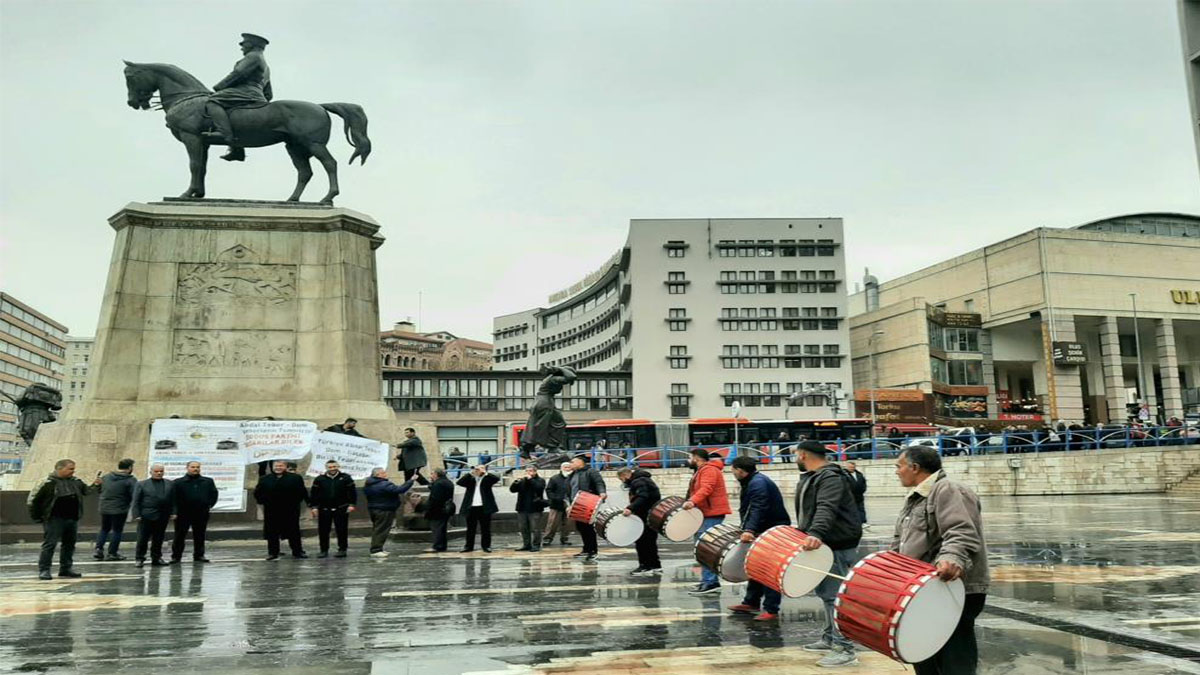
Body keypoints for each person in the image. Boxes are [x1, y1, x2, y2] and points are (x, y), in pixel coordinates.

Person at [894, 446, 990, 675]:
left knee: (954, 658)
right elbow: (901, 542)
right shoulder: (916, 498)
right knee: (924, 653)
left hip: (953, 588)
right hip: (925, 590)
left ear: (915, 468)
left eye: (899, 466)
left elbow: (960, 531)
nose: (897, 472)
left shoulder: (948, 490)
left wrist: (951, 558)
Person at [793, 440, 863, 667]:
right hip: (825, 542)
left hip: (835, 542)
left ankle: (844, 648)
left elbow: (827, 507)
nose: (795, 458)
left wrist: (815, 533)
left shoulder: (830, 477)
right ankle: (829, 638)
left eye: (796, 455)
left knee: (835, 597)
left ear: (802, 455)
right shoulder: (817, 476)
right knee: (826, 593)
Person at [726, 456, 790, 621]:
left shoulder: (758, 483)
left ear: (740, 470)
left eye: (733, 469)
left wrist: (749, 529)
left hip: (771, 530)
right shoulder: (753, 481)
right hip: (764, 528)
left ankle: (771, 609)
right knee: (755, 566)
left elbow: (758, 507)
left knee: (768, 569)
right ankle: (751, 601)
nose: (732, 472)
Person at [203, 32, 272, 162]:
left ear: (251, 45)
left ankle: (225, 134)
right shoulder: (265, 64)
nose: (241, 47)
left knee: (212, 101)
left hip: (246, 92)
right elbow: (269, 93)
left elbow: (238, 74)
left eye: (244, 44)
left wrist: (218, 88)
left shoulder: (253, 57)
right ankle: (236, 150)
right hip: (256, 94)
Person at [27, 459, 101, 580]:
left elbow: (86, 491)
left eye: (73, 469)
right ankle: (44, 570)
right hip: (54, 519)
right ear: (60, 469)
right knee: (50, 544)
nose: (73, 471)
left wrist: (96, 485)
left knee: (69, 544)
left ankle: (66, 569)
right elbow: (33, 500)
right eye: (70, 469)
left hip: (72, 518)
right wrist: (38, 517)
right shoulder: (47, 483)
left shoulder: (76, 481)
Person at [683, 448, 732, 595]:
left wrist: (692, 502)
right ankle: (706, 581)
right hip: (705, 513)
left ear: (696, 458)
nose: (688, 460)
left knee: (707, 548)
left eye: (690, 457)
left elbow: (706, 488)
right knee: (702, 548)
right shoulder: (702, 470)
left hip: (711, 513)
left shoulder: (709, 470)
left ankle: (711, 582)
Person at [254, 460, 309, 560]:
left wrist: (295, 502)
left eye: (280, 466)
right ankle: (273, 553)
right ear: (272, 467)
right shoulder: (264, 479)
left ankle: (297, 551)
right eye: (276, 466)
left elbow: (302, 492)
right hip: (271, 510)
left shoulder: (295, 478)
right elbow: (258, 493)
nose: (278, 468)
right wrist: (264, 502)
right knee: (272, 533)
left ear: (285, 467)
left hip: (290, 510)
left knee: (294, 532)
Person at [170, 461, 219, 563]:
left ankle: (199, 555)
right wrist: (175, 511)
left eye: (197, 467)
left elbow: (214, 494)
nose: (195, 469)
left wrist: (208, 505)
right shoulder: (178, 482)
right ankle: (176, 556)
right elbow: (173, 498)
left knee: (200, 535)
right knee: (179, 535)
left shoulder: (207, 481)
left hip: (201, 513)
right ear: (187, 468)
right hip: (183, 514)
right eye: (193, 467)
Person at [309, 459, 358, 558]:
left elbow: (352, 492)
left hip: (341, 508)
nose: (332, 469)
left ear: (338, 467)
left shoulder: (346, 478)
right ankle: (323, 550)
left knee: (342, 530)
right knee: (323, 531)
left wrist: (352, 504)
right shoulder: (319, 479)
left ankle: (342, 549)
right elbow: (314, 494)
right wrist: (314, 507)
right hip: (324, 509)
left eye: (334, 467)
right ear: (326, 468)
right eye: (330, 467)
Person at [618, 467, 662, 576]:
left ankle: (645, 566)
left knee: (641, 541)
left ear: (625, 475)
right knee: (651, 541)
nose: (623, 482)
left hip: (643, 514)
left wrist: (631, 508)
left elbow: (642, 497)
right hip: (652, 514)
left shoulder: (638, 481)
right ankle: (655, 565)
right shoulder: (645, 479)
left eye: (622, 479)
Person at [363, 467, 415, 557]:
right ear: (378, 475)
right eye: (383, 473)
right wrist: (410, 481)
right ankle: (376, 550)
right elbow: (399, 490)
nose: (385, 474)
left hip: (374, 509)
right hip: (384, 509)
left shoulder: (369, 484)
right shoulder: (384, 484)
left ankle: (378, 548)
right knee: (381, 529)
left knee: (377, 528)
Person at [132, 464, 175, 569]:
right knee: (143, 539)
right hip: (146, 515)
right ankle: (139, 558)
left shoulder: (169, 484)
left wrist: (174, 512)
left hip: (163, 515)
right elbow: (136, 500)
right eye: (156, 471)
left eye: (161, 471)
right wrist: (136, 514)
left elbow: (173, 500)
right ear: (151, 472)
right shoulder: (142, 484)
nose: (159, 473)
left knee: (159, 538)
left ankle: (156, 558)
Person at [94, 458, 136, 561]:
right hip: (120, 509)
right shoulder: (130, 480)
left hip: (104, 507)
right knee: (117, 530)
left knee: (104, 528)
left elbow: (100, 490)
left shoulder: (106, 477)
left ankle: (98, 549)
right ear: (130, 467)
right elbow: (134, 494)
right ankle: (112, 552)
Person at [568, 455, 606, 562]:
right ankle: (586, 549)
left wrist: (602, 492)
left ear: (580, 462)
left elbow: (599, 483)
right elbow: (568, 490)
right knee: (581, 528)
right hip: (576, 504)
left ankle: (593, 551)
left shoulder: (591, 472)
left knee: (588, 528)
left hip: (588, 503)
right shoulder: (573, 474)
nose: (571, 464)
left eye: (573, 462)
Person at [457, 465, 500, 552]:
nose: (478, 470)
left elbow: (496, 479)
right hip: (471, 506)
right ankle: (468, 546)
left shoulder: (487, 479)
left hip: (484, 506)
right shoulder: (471, 479)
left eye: (479, 469)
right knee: (470, 528)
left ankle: (486, 546)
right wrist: (471, 473)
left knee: (485, 528)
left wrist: (485, 473)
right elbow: (459, 482)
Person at [510, 465, 547, 552]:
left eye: (530, 471)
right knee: (523, 527)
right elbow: (512, 490)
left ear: (535, 471)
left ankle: (536, 545)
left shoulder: (540, 480)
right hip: (522, 507)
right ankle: (526, 544)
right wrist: (515, 482)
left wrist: (530, 479)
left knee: (535, 528)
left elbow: (539, 488)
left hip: (535, 508)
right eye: (527, 471)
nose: (528, 473)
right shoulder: (522, 480)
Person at [542, 461, 573, 547]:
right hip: (556, 504)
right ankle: (547, 538)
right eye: (565, 467)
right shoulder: (554, 478)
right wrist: (555, 498)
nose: (567, 469)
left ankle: (564, 538)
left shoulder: (573, 478)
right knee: (552, 523)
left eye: (569, 467)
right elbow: (549, 490)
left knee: (567, 523)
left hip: (570, 504)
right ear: (561, 468)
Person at [425, 468, 455, 552]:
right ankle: (442, 545)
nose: (431, 476)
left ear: (436, 474)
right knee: (442, 528)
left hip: (438, 510)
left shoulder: (438, 484)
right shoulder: (448, 482)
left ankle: (437, 546)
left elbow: (435, 498)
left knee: (437, 529)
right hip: (446, 508)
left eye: (432, 474)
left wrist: (428, 508)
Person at [845, 460, 868, 529]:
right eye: (850, 467)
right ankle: (852, 523)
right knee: (851, 510)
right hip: (850, 496)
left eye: (853, 467)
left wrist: (863, 490)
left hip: (859, 496)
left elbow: (864, 483)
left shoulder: (859, 474)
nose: (851, 468)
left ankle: (863, 522)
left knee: (861, 509)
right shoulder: (845, 475)